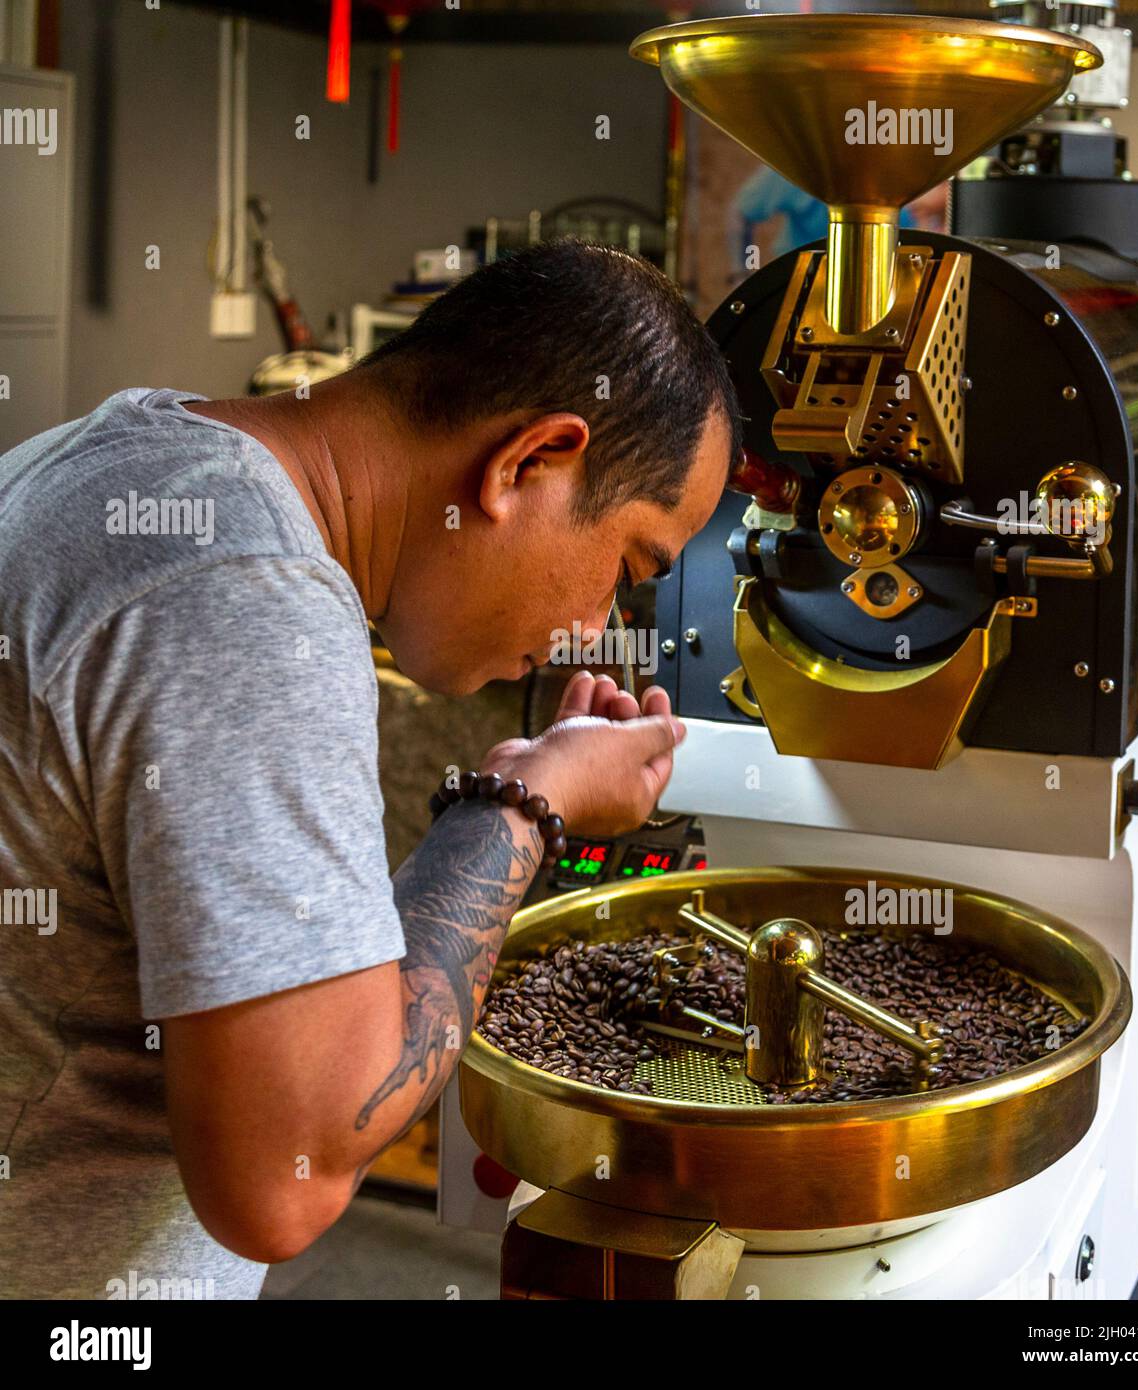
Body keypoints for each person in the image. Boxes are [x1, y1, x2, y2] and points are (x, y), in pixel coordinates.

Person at [0, 239, 740, 1298]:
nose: (594, 632)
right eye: (625, 568)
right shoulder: (251, 602)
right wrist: (527, 804)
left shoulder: (117, 456)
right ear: (529, 461)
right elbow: (285, 1177)